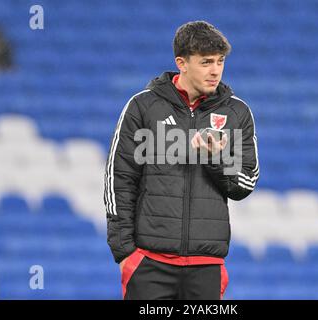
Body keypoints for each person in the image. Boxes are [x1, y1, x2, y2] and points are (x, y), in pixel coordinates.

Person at [104, 20, 259, 300]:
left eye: (220, 61)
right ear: (181, 63)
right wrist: (125, 253)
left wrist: (216, 160)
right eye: (206, 62)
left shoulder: (237, 113)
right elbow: (119, 179)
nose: (215, 71)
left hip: (206, 266)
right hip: (149, 264)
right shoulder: (143, 107)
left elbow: (244, 184)